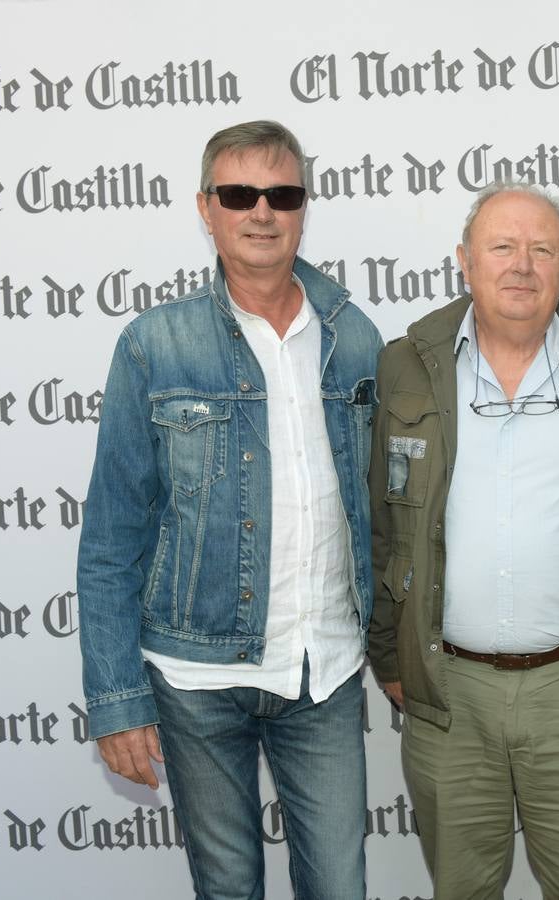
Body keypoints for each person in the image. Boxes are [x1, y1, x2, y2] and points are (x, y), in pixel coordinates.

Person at [76, 120, 381, 900]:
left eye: (281, 194)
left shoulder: (355, 339)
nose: (262, 212)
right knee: (228, 890)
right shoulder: (155, 345)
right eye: (239, 193)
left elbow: (384, 513)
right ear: (205, 208)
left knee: (340, 889)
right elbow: (113, 536)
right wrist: (117, 700)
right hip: (194, 676)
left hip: (326, 668)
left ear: (304, 208)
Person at [367, 181, 559, 898]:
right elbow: (383, 524)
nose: (521, 265)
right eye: (502, 247)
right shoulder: (405, 365)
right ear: (465, 262)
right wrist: (391, 654)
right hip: (447, 692)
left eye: (542, 250)